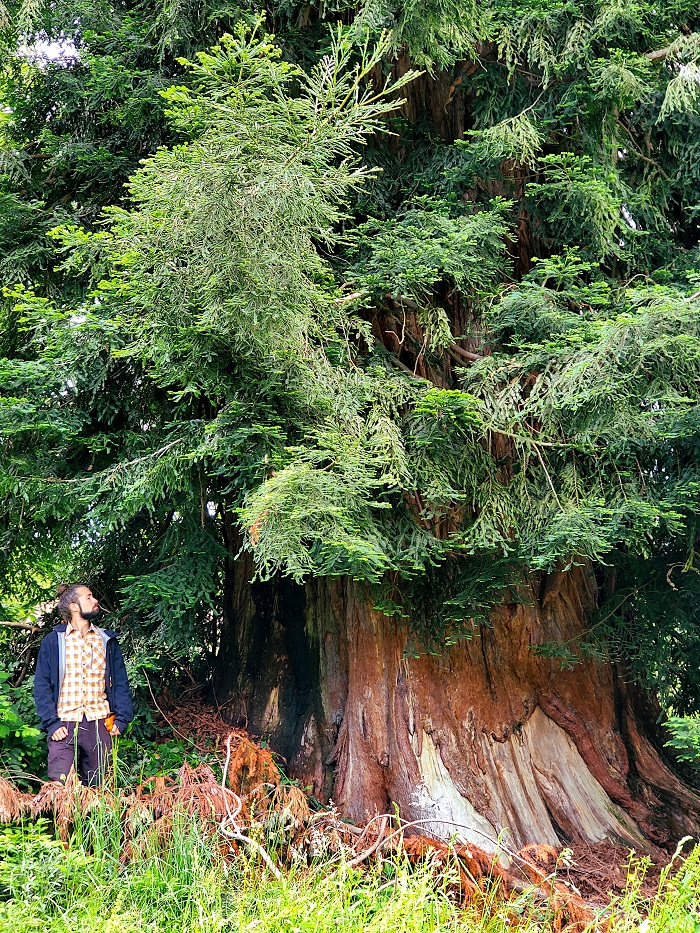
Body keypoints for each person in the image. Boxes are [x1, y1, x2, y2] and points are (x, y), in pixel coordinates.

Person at [33, 584, 134, 785]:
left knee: (98, 787)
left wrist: (122, 719)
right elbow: (42, 685)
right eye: (88, 597)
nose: (95, 600)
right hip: (64, 722)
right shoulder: (54, 641)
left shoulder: (107, 641)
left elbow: (121, 682)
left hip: (99, 722)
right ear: (74, 606)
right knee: (60, 787)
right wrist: (52, 723)